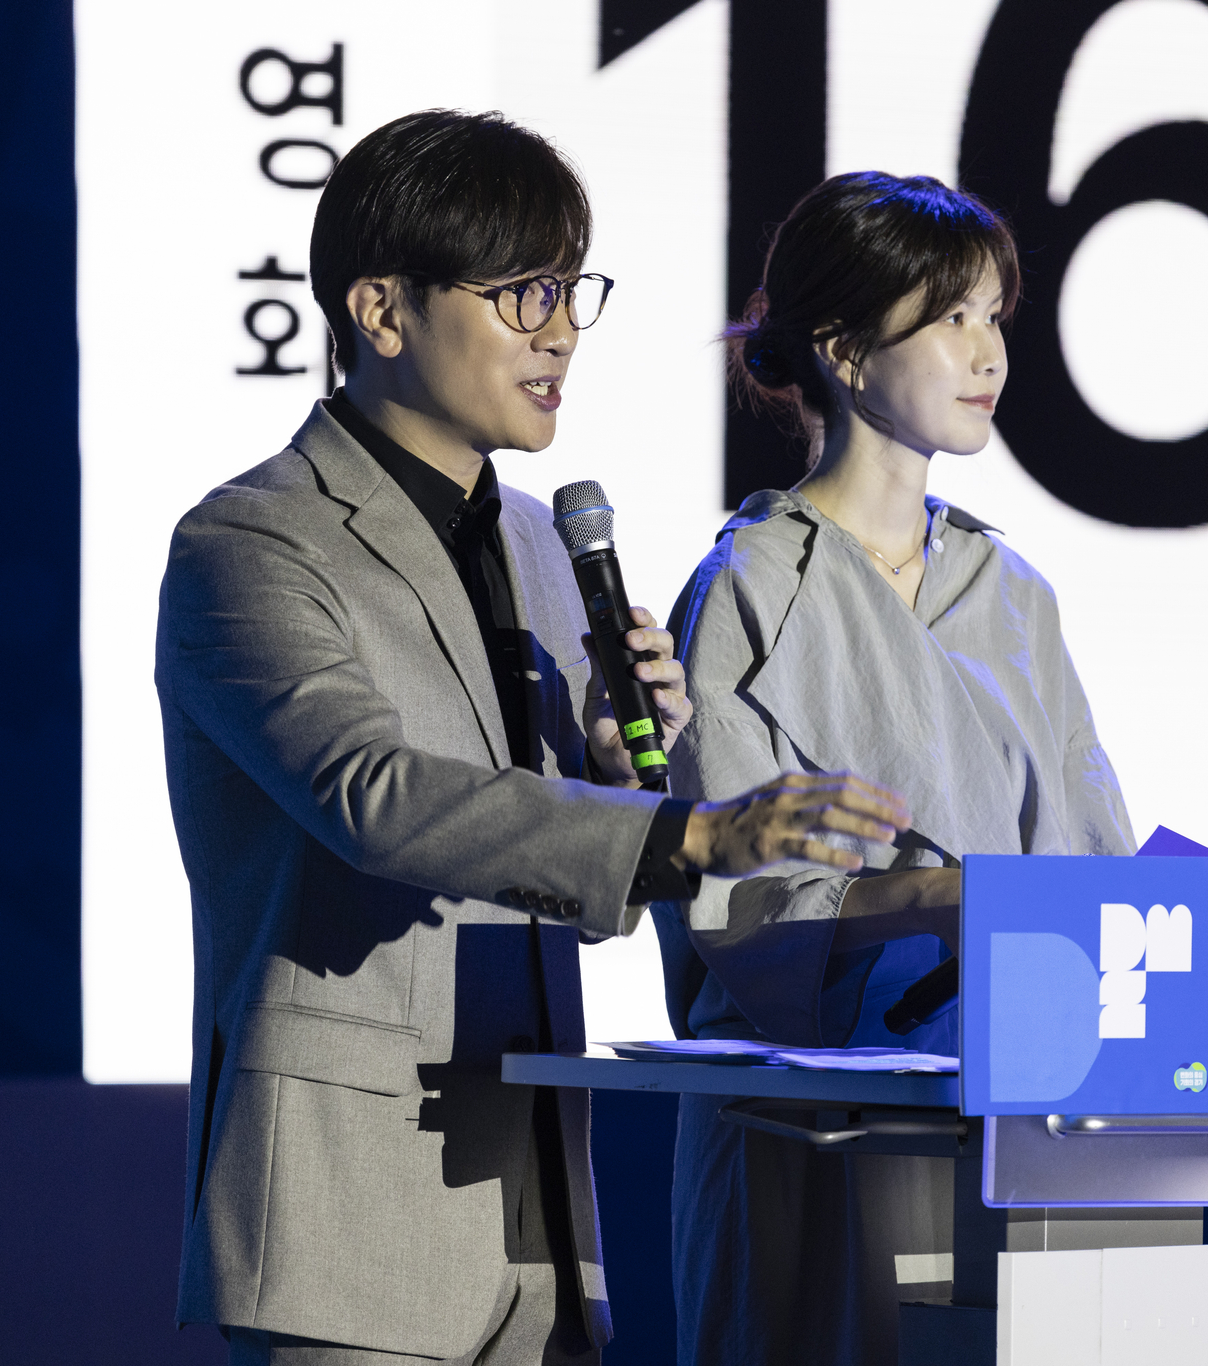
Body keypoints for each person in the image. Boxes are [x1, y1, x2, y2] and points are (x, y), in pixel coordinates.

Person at [157, 111, 910, 1366]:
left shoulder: (541, 546)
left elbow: (543, 853)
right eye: (519, 292)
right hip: (349, 1213)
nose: (558, 330)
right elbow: (375, 799)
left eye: (569, 289)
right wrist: (684, 831)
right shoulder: (251, 543)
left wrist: (619, 767)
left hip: (542, 1207)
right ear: (381, 311)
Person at [655, 172, 1137, 1365]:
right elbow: (737, 909)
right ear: (844, 351)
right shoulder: (747, 588)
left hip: (1013, 1129)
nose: (989, 353)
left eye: (995, 318)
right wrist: (940, 896)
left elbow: (1092, 858)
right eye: (952, 317)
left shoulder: (1011, 591)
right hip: (805, 1141)